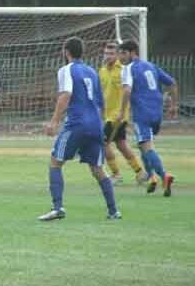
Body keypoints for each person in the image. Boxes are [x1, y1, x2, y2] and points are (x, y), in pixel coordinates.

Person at [38, 37, 120, 221]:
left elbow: (65, 95)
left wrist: (54, 122)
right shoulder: (92, 71)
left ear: (66, 52)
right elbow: (101, 103)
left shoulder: (66, 70)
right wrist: (101, 128)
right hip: (96, 124)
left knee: (55, 162)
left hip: (77, 123)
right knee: (97, 168)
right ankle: (114, 211)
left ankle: (57, 208)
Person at [116, 40, 178, 196]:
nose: (120, 57)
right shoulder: (151, 66)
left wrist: (122, 112)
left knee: (147, 147)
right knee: (142, 145)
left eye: (123, 53)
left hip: (142, 114)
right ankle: (152, 178)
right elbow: (172, 83)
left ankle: (164, 176)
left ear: (132, 53)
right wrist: (173, 105)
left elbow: (127, 90)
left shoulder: (128, 69)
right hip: (157, 113)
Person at [98, 42, 146, 185]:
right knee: (121, 144)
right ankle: (140, 172)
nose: (108, 56)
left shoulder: (124, 70)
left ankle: (116, 175)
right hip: (108, 115)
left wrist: (123, 111)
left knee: (103, 143)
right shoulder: (102, 71)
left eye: (111, 53)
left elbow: (128, 91)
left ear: (118, 55)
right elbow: (102, 93)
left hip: (118, 115)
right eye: (106, 53)